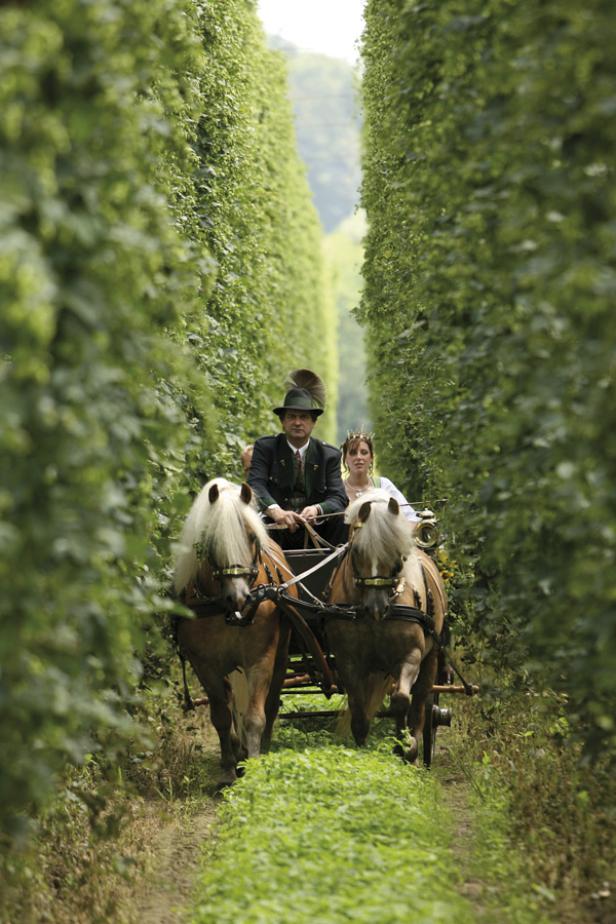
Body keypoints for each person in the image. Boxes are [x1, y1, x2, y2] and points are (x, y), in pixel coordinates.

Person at [247, 370, 348, 549]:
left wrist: (317, 509)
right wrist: (276, 511)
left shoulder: (329, 455)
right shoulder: (266, 448)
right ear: (283, 422)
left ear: (313, 422)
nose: (297, 422)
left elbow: (338, 497)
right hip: (274, 527)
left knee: (341, 520)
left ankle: (335, 572)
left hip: (318, 530)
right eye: (292, 416)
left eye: (303, 417)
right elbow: (255, 485)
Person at [341, 431, 419, 524]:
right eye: (353, 453)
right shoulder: (338, 489)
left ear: (371, 457)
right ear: (345, 458)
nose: (358, 457)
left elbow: (410, 516)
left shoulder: (384, 485)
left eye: (364, 452)